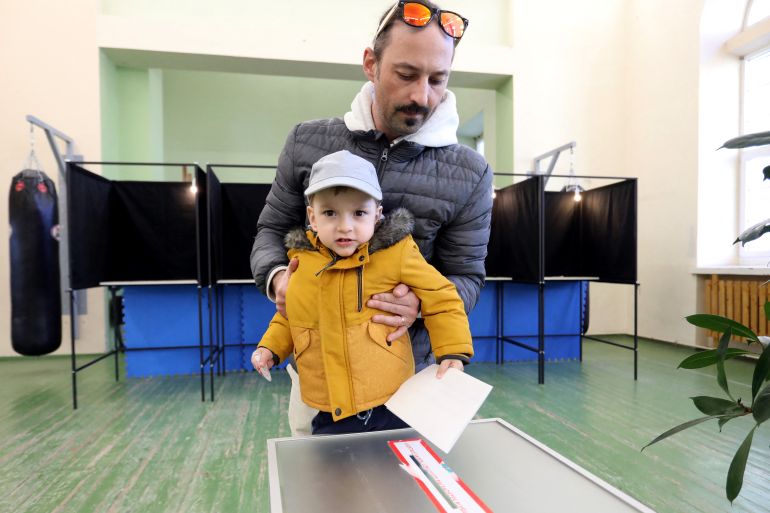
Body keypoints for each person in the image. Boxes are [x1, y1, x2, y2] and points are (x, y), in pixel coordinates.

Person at [250, 0, 494, 371]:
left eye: (437, 79)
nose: (421, 96)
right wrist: (278, 278)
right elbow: (272, 229)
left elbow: (467, 276)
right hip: (320, 371)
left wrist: (419, 301)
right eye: (406, 74)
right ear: (371, 64)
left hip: (413, 372)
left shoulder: (471, 172)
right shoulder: (306, 142)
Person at [252, 150, 474, 434]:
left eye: (359, 213)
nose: (345, 226)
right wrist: (270, 347)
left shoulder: (398, 253)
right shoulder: (302, 262)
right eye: (330, 213)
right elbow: (291, 314)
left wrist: (453, 351)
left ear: (377, 215)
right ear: (313, 217)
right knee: (331, 473)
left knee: (395, 470)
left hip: (392, 401)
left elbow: (442, 297)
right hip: (327, 406)